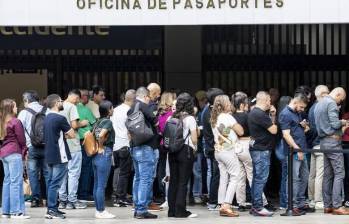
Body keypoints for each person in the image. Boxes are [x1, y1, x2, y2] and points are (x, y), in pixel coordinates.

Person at [314, 87, 349, 215]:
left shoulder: (319, 104)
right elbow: (335, 124)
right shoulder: (331, 103)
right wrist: (344, 122)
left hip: (323, 142)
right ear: (338, 94)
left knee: (328, 175)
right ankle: (337, 205)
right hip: (333, 142)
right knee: (340, 173)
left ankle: (327, 205)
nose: (340, 102)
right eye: (341, 99)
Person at [232, 92, 268, 211]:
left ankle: (240, 203)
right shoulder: (248, 116)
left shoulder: (231, 116)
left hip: (235, 146)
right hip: (247, 144)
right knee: (253, 175)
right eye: (246, 103)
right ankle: (261, 201)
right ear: (242, 105)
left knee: (240, 176)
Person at [279, 94, 314, 216]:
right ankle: (291, 205)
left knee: (304, 177)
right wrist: (297, 149)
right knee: (293, 179)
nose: (302, 110)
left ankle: (299, 203)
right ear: (295, 102)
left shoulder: (296, 113)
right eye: (301, 107)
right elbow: (286, 135)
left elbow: (297, 131)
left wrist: (304, 126)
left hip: (302, 149)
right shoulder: (285, 114)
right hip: (293, 152)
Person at [128, 87, 158, 219]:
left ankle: (137, 206)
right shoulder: (144, 106)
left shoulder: (132, 107)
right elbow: (155, 121)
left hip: (135, 147)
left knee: (138, 177)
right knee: (145, 179)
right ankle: (141, 209)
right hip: (146, 147)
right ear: (146, 96)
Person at [210, 95, 243, 217]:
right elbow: (241, 131)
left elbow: (224, 133)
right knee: (235, 176)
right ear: (224, 104)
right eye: (229, 101)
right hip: (228, 151)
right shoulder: (228, 117)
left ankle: (221, 202)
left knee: (224, 177)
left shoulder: (214, 117)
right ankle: (227, 205)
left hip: (218, 151)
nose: (230, 103)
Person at [44, 94, 75, 219]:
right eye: (61, 101)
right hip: (60, 154)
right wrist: (65, 135)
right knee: (55, 183)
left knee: (51, 182)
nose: (62, 103)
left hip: (49, 154)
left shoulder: (46, 117)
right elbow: (72, 134)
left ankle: (52, 208)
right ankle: (52, 209)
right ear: (57, 103)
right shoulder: (60, 118)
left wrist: (63, 135)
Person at [168, 93, 199, 218]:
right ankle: (181, 211)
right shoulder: (190, 118)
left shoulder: (172, 117)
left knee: (173, 181)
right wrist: (195, 148)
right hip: (185, 151)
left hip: (173, 151)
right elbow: (194, 138)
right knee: (183, 181)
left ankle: (172, 210)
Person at [248, 91, 277, 217]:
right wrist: (273, 116)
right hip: (262, 150)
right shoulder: (260, 114)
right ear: (265, 100)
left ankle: (255, 206)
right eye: (269, 100)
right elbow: (274, 130)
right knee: (261, 179)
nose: (270, 103)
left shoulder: (253, 112)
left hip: (257, 149)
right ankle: (258, 207)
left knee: (256, 178)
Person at [59, 89, 89, 210]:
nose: (77, 101)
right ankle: (71, 201)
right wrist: (84, 123)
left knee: (62, 173)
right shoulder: (72, 106)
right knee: (73, 173)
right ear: (74, 97)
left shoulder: (58, 105)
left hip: (61, 144)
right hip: (72, 144)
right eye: (77, 99)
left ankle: (61, 200)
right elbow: (74, 125)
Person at [17, 90, 48, 208]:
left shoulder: (23, 113)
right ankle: (49, 199)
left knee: (33, 174)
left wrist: (23, 148)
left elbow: (19, 131)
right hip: (46, 146)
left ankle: (36, 200)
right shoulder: (46, 110)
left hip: (31, 147)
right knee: (48, 173)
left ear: (26, 100)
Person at [0, 99, 30, 219]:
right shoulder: (15, 122)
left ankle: (5, 211)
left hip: (3, 154)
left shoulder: (2, 122)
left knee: (7, 181)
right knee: (16, 182)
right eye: (15, 106)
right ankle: (16, 211)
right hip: (14, 152)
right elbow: (22, 140)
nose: (17, 108)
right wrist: (25, 151)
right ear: (10, 108)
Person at [111, 89, 136, 207]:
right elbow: (131, 130)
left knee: (118, 170)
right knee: (124, 173)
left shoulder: (115, 110)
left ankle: (117, 195)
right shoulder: (130, 111)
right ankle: (121, 197)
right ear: (133, 99)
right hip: (125, 145)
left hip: (115, 145)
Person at [92, 100, 116, 219]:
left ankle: (98, 209)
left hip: (95, 154)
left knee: (97, 184)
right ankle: (101, 211)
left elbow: (94, 135)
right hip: (104, 152)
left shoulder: (97, 122)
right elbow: (101, 135)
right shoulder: (107, 122)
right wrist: (101, 146)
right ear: (108, 110)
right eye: (112, 108)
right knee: (101, 185)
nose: (113, 110)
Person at [202, 88, 224, 211]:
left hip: (212, 147)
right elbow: (220, 131)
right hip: (215, 147)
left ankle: (215, 200)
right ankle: (213, 201)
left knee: (217, 174)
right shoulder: (210, 112)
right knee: (217, 174)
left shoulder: (208, 110)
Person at [308, 85, 329, 210]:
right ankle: (318, 200)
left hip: (313, 144)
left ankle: (311, 199)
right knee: (320, 174)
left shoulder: (311, 108)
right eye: (327, 93)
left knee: (313, 174)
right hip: (320, 143)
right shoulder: (321, 107)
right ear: (322, 94)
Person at [157, 91, 176, 208]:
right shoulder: (171, 115)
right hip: (170, 144)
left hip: (162, 143)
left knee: (162, 169)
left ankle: (163, 194)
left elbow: (159, 130)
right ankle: (169, 197)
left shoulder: (159, 114)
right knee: (170, 171)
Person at [77, 89, 97, 202]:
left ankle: (72, 194)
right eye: (87, 96)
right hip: (85, 142)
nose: (88, 98)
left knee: (73, 170)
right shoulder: (85, 110)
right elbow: (95, 125)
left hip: (72, 143)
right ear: (82, 97)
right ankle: (83, 194)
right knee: (86, 169)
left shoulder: (70, 108)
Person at [146, 83, 163, 210]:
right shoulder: (152, 107)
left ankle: (141, 201)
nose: (160, 95)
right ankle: (148, 201)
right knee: (150, 175)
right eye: (158, 93)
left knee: (140, 176)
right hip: (152, 144)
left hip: (142, 144)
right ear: (155, 93)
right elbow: (157, 125)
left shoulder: (139, 106)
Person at [192, 90, 207, 204]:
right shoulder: (198, 113)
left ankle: (197, 193)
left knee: (197, 172)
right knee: (197, 172)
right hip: (196, 146)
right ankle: (196, 194)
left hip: (199, 146)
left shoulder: (202, 113)